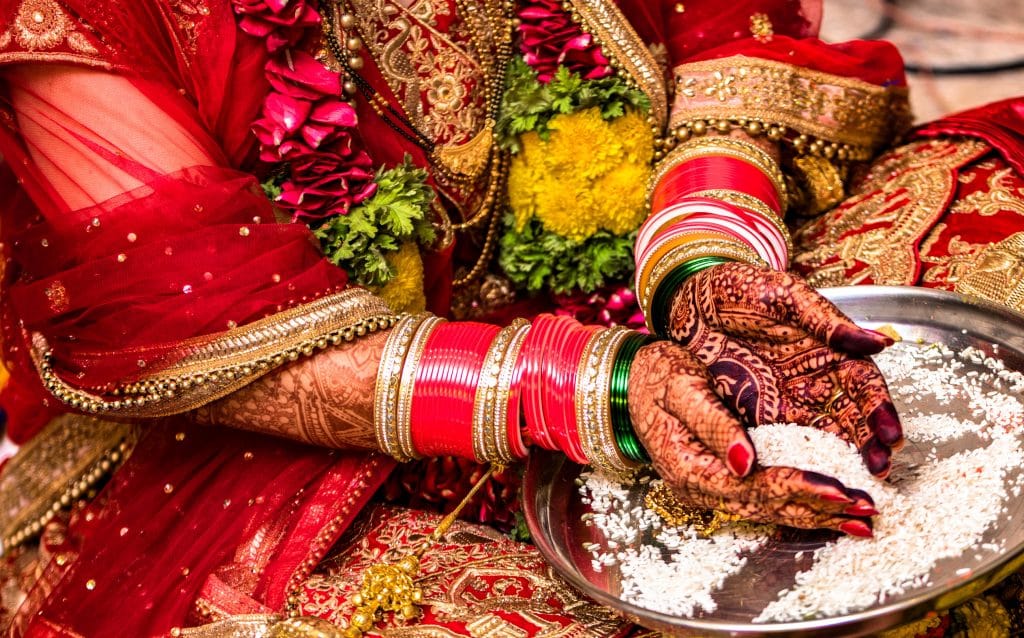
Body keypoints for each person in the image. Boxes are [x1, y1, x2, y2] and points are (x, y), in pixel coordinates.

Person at [4, 0, 1012, 635]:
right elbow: (188, 314)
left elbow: (725, 38)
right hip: (287, 417)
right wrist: (599, 390)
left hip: (633, 269)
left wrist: (706, 261)